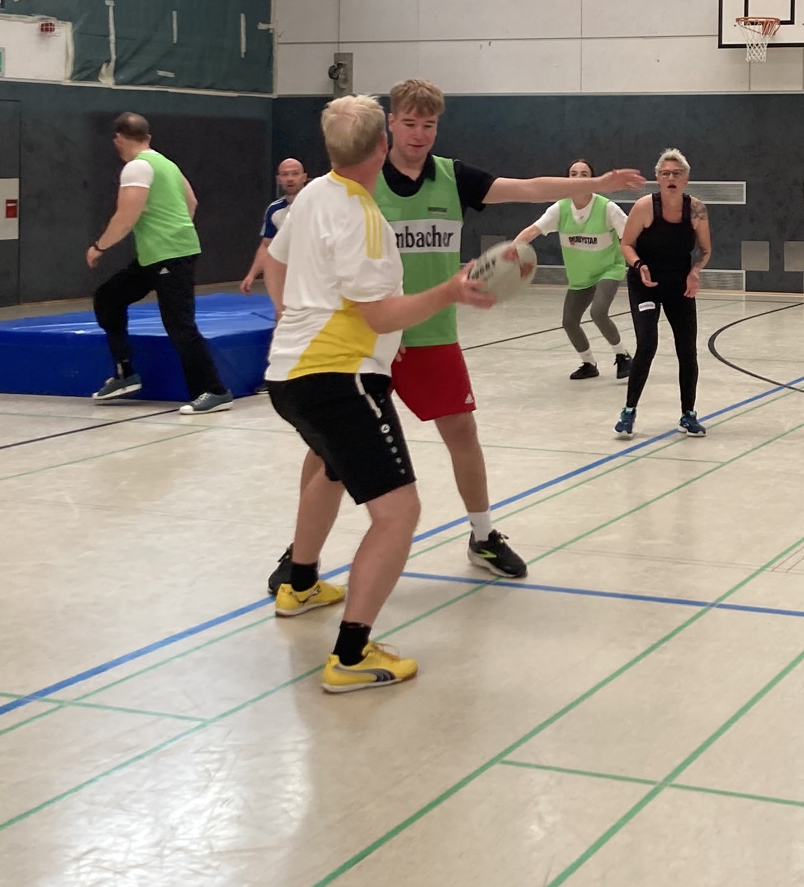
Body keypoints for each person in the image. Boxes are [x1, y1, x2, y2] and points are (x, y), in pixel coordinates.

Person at [259, 95, 493, 693]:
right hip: (341, 378)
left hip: (287, 375)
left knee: (333, 469)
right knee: (398, 513)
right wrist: (449, 291)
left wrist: (289, 317)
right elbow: (381, 315)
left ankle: (300, 584)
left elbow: (274, 261)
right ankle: (350, 654)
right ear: (383, 145)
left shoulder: (311, 194)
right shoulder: (364, 220)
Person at [367, 78, 642, 580]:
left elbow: (530, 188)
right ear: (390, 123)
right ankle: (301, 555)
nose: (419, 134)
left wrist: (598, 184)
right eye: (409, 123)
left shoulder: (452, 177)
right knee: (333, 453)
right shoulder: (365, 179)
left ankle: (482, 536)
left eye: (428, 125)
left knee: (463, 435)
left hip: (433, 334)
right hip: (372, 338)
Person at [86, 112, 232, 415]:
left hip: (169, 255)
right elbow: (191, 202)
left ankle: (215, 391)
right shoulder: (167, 164)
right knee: (109, 297)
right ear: (148, 137)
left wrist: (99, 247)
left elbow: (126, 217)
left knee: (179, 324)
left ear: (118, 139)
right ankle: (125, 373)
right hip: (156, 255)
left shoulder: (137, 167)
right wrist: (176, 231)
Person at [614, 149, 711, 438]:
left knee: (687, 349)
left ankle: (688, 415)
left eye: (676, 173)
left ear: (686, 179)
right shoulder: (645, 207)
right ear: (657, 178)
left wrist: (695, 271)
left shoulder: (696, 209)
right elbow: (626, 244)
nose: (671, 178)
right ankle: (628, 412)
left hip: (679, 285)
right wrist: (639, 265)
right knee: (647, 345)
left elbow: (705, 250)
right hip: (645, 283)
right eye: (665, 173)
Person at [513, 161, 631, 381]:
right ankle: (589, 364)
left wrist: (642, 263)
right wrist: (511, 251)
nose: (578, 177)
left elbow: (631, 237)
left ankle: (622, 356)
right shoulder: (560, 209)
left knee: (598, 312)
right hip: (580, 275)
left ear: (593, 180)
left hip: (608, 269)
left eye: (584, 174)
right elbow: (532, 231)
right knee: (569, 321)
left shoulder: (607, 208)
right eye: (573, 174)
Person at [241, 157, 308, 295]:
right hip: (289, 276)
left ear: (304, 177)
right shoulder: (274, 210)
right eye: (285, 174)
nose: (290, 179)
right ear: (279, 179)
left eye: (295, 174)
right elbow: (266, 245)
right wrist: (251, 275)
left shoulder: (318, 204)